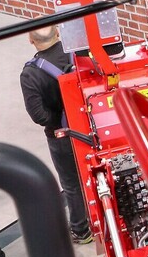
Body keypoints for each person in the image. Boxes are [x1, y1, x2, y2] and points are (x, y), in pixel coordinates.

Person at [20, 27, 93, 245]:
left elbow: (39, 115)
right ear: (59, 34)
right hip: (94, 128)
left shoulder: (30, 74)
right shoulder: (80, 54)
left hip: (62, 137)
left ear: (30, 40)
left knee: (72, 184)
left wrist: (62, 118)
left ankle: (82, 230)